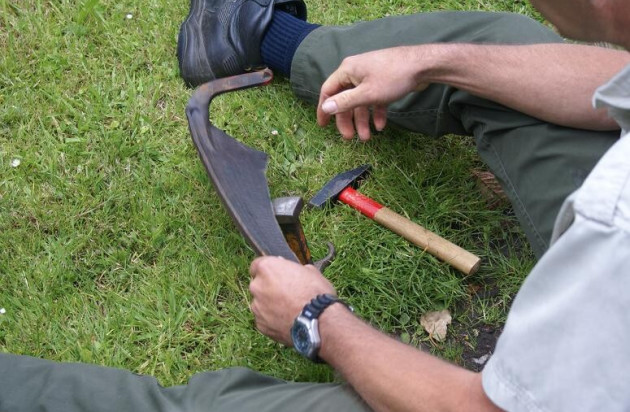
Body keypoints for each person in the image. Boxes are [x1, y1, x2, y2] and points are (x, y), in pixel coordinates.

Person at [1, 1, 629, 411]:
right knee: (504, 50)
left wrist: (315, 319)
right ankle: (262, 37)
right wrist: (435, 62)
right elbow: (611, 82)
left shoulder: (612, 230)